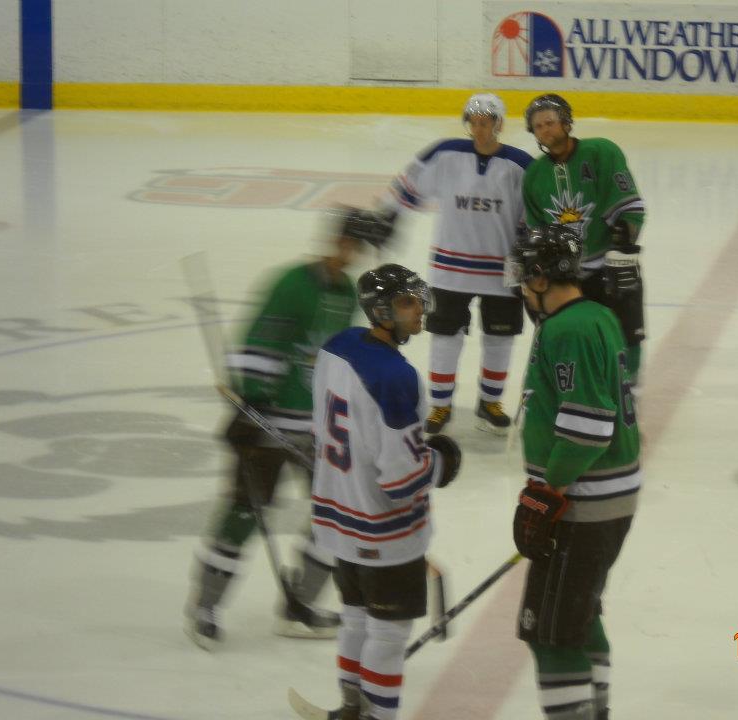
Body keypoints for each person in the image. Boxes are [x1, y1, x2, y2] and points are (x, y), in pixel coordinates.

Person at [184, 208, 393, 650]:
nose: (351, 253)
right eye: (348, 243)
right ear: (334, 240)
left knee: (336, 518)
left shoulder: (346, 295)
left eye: (358, 247)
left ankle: (298, 606)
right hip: (268, 425)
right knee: (244, 514)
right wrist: (250, 405)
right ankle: (205, 606)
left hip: (318, 431)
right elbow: (257, 344)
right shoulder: (291, 285)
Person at [310, 263, 461, 720]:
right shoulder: (396, 376)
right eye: (407, 303)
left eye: (418, 299)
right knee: (389, 633)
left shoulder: (335, 347)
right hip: (383, 530)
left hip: (337, 517)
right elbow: (400, 482)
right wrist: (442, 463)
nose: (419, 310)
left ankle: (352, 707)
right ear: (381, 311)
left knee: (355, 616)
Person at [507, 224, 641, 720]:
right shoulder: (595, 316)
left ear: (542, 278)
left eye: (524, 276)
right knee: (582, 615)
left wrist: (548, 491)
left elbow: (587, 426)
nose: (520, 287)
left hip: (585, 502)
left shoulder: (569, 328)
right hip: (605, 497)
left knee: (552, 633)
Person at [378, 93, 533, 435]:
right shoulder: (445, 153)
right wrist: (390, 214)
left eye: (486, 122)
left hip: (503, 272)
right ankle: (441, 404)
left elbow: (533, 214)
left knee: (500, 339)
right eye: (474, 122)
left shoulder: (521, 164)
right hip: (451, 270)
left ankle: (490, 401)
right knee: (445, 337)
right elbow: (409, 185)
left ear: (499, 124)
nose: (479, 129)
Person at [521, 93, 647, 384]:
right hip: (566, 276)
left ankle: (628, 398)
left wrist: (624, 236)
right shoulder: (535, 175)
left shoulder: (601, 152)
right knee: (568, 338)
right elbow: (536, 231)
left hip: (609, 264)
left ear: (566, 123)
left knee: (627, 334)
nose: (545, 130)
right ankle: (576, 393)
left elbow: (629, 206)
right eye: (538, 126)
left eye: (550, 122)